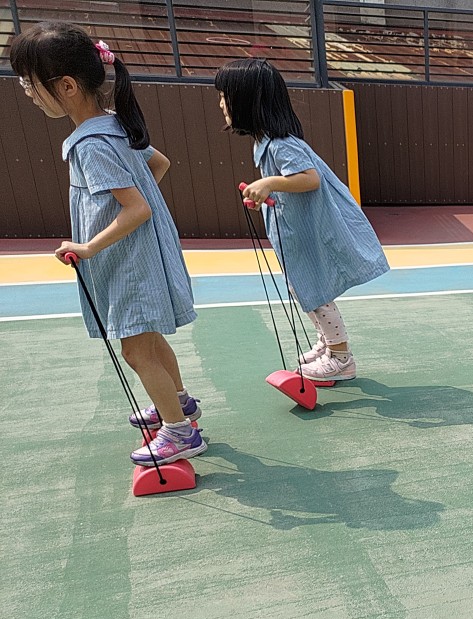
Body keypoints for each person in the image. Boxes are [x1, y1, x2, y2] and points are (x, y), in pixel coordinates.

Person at [11, 22, 205, 467]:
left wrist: (89, 245)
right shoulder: (114, 125)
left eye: (30, 83)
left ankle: (179, 432)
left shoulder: (90, 144)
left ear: (67, 86)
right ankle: (179, 402)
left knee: (135, 351)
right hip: (142, 255)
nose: (28, 92)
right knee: (149, 340)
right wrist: (134, 200)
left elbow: (137, 210)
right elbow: (159, 164)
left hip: (128, 263)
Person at [215, 58, 389, 381]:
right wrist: (264, 194)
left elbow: (309, 179)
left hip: (307, 231)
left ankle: (341, 356)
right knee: (304, 289)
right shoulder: (265, 143)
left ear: (247, 101)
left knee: (315, 291)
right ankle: (328, 343)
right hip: (295, 230)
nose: (221, 103)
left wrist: (269, 183)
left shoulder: (281, 145)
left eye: (225, 96)